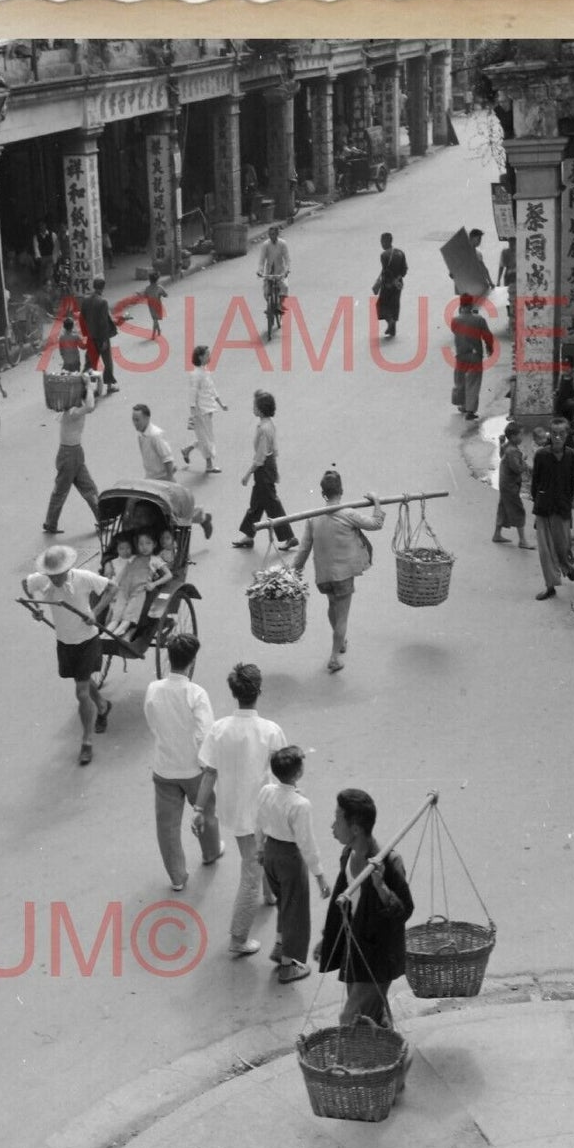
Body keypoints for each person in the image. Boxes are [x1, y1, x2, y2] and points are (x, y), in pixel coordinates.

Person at [193, 663, 288, 959]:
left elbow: (209, 772)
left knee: (255, 856)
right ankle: (238, 937)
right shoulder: (271, 731)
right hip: (260, 811)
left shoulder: (220, 729)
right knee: (251, 870)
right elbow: (283, 775)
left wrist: (198, 808)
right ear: (258, 691)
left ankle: (269, 892)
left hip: (233, 809)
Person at [316, 788, 414, 1027]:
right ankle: (393, 1054)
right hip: (356, 949)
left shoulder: (389, 864)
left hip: (378, 957)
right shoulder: (348, 855)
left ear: (356, 828)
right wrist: (328, 937)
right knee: (371, 1016)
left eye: (338, 819)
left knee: (350, 1019)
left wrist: (381, 887)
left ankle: (385, 1055)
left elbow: (404, 911)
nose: (332, 826)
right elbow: (346, 903)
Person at [143, 632, 224, 892]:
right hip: (193, 769)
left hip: (164, 767)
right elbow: (206, 733)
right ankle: (210, 852)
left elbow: (152, 721)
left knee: (167, 825)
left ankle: (177, 876)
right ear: (192, 661)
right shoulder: (196, 693)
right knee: (206, 812)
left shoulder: (154, 689)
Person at [21, 543, 113, 766]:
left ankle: (87, 742)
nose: (54, 580)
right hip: (65, 642)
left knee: (81, 692)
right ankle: (102, 705)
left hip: (87, 640)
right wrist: (36, 608)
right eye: (50, 576)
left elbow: (112, 587)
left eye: (57, 575)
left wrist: (96, 613)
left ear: (66, 570)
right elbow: (26, 583)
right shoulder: (44, 580)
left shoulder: (82, 578)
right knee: (82, 679)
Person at [291, 468, 385, 672]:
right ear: (340, 491)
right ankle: (334, 657)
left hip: (323, 577)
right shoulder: (348, 514)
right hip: (343, 576)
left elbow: (304, 549)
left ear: (324, 494)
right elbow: (376, 523)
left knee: (333, 605)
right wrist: (376, 501)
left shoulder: (313, 518)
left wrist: (292, 572)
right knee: (342, 616)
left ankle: (340, 642)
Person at [254, 746, 331, 984]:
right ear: (298, 773)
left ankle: (280, 944)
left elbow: (258, 821)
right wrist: (319, 875)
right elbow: (306, 843)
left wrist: (259, 848)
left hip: (270, 852)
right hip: (290, 857)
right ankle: (288, 965)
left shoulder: (266, 791)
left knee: (284, 905)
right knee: (295, 912)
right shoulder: (300, 804)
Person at [132, 405, 214, 539]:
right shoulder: (142, 435)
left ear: (147, 418)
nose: (135, 423)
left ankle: (201, 517)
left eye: (137, 420)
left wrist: (170, 479)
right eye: (133, 420)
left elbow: (167, 458)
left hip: (163, 479)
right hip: (151, 479)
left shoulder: (155, 435)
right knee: (159, 510)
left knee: (175, 511)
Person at [232, 390, 297, 550]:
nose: (253, 408)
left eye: (255, 406)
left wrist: (247, 474)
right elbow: (274, 450)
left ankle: (289, 536)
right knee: (257, 504)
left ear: (260, 409)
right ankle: (249, 535)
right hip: (269, 467)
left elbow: (260, 458)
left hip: (263, 471)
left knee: (271, 505)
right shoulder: (270, 424)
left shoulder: (263, 429)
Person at [41, 378, 100, 535]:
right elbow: (91, 406)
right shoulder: (73, 411)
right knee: (65, 490)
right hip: (70, 454)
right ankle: (50, 522)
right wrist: (89, 385)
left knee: (88, 487)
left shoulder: (68, 408)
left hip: (72, 453)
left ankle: (102, 517)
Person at [531, 419, 574, 601]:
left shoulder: (572, 455)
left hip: (562, 507)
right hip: (544, 506)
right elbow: (535, 484)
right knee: (545, 550)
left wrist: (567, 506)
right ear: (549, 435)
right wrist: (538, 507)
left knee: (563, 545)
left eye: (562, 434)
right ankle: (550, 586)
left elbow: (572, 484)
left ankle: (567, 566)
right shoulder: (541, 455)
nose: (558, 437)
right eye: (554, 433)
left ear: (567, 435)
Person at [104, 531, 171, 637]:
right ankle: (104, 635)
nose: (144, 547)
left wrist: (154, 584)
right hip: (124, 588)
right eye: (141, 544)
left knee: (128, 616)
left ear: (154, 544)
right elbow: (124, 572)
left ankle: (118, 633)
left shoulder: (155, 559)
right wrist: (114, 583)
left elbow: (168, 575)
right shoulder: (133, 557)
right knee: (116, 616)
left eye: (148, 543)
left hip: (139, 589)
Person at [181, 343, 229, 473]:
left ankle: (187, 450)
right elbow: (193, 393)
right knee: (207, 437)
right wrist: (193, 410)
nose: (210, 356)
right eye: (207, 354)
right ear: (200, 357)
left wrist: (220, 403)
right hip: (200, 410)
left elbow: (212, 389)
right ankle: (209, 465)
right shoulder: (195, 374)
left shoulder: (205, 371)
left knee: (205, 436)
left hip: (208, 408)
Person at [450, 293, 495, 418]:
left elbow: (454, 330)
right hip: (475, 355)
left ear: (460, 306)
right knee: (473, 382)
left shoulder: (455, 321)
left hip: (460, 355)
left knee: (461, 381)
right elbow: (487, 336)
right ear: (471, 305)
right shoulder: (479, 319)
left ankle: (462, 405)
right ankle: (470, 411)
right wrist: (489, 347)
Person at [492, 422, 534, 549]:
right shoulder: (513, 451)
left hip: (504, 483)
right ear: (513, 436)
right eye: (520, 434)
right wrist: (524, 462)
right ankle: (522, 540)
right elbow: (517, 468)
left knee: (503, 507)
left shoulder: (507, 446)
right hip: (510, 485)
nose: (522, 437)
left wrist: (501, 443)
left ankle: (497, 534)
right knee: (518, 510)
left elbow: (501, 455)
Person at [79, 276, 119, 393]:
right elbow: (103, 323)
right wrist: (105, 340)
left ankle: (84, 386)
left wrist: (87, 334)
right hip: (101, 337)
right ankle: (109, 386)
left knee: (90, 363)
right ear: (103, 288)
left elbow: (83, 318)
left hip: (91, 337)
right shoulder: (102, 302)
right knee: (107, 362)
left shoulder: (85, 300)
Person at [372, 231, 408, 339]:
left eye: (382, 241)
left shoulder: (384, 255)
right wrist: (398, 279)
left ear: (386, 241)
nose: (381, 243)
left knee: (381, 305)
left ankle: (390, 321)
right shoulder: (400, 253)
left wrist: (385, 281)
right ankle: (393, 327)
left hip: (388, 284)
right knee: (394, 304)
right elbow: (404, 269)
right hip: (398, 284)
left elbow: (386, 271)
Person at [143, 269, 168, 339]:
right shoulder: (159, 288)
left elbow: (144, 296)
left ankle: (154, 334)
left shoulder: (147, 288)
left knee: (154, 319)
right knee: (155, 319)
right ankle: (158, 331)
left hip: (151, 306)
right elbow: (166, 295)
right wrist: (160, 295)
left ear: (149, 280)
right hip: (158, 305)